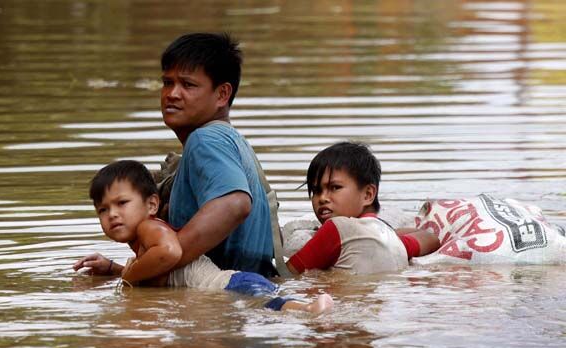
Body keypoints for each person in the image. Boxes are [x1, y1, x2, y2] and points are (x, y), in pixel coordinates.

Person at [72, 160, 333, 314]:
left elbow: (169, 254)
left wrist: (128, 277)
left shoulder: (149, 228)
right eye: (103, 210)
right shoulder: (145, 240)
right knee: (268, 307)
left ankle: (310, 309)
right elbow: (160, 269)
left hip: (230, 286)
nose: (112, 215)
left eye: (122, 203)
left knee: (277, 307)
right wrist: (114, 269)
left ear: (152, 204)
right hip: (230, 286)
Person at [159, 32, 277, 277]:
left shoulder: (206, 140)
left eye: (188, 84)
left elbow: (234, 205)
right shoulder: (231, 141)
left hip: (226, 303)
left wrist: (161, 260)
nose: (172, 93)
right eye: (167, 82)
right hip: (251, 297)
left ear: (222, 94)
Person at [286, 142, 441, 275]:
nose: (322, 198)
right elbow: (432, 238)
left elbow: (286, 275)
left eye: (334, 187)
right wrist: (389, 234)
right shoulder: (391, 240)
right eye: (316, 191)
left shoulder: (335, 229)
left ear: (368, 194)